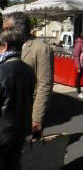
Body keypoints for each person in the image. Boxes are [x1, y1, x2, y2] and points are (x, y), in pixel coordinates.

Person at [3, 12, 53, 139]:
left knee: (29, 154)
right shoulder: (8, 45)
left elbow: (44, 85)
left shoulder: (41, 49)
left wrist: (37, 118)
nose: (3, 33)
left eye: (6, 29)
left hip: (28, 111)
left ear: (18, 29)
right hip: (9, 112)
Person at [0, 29, 36, 170]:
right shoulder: (28, 70)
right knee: (14, 164)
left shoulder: (2, 70)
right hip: (20, 129)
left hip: (2, 133)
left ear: (6, 46)